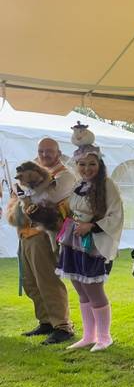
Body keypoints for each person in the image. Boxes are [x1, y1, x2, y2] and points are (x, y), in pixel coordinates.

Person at [57, 143, 124, 352]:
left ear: (99, 163)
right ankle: (89, 335)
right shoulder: (79, 184)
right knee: (80, 288)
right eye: (82, 164)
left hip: (93, 243)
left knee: (93, 289)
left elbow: (116, 215)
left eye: (92, 164)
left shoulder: (107, 185)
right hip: (73, 241)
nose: (87, 168)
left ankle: (104, 337)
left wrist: (91, 226)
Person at [16, 138, 75, 345]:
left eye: (49, 151)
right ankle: (46, 321)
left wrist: (26, 193)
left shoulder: (65, 175)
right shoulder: (35, 174)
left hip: (44, 235)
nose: (44, 155)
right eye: (41, 151)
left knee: (48, 281)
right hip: (26, 232)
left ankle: (63, 326)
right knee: (31, 282)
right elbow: (22, 196)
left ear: (58, 153)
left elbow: (46, 198)